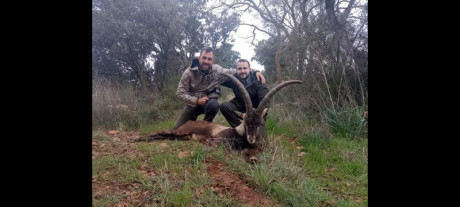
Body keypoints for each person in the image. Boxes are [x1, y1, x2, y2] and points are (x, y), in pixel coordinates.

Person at [173, 47, 266, 129]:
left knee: (214, 104)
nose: (206, 61)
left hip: (208, 103)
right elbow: (180, 94)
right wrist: (196, 101)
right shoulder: (188, 73)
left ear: (213, 61)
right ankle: (192, 119)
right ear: (199, 58)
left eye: (209, 59)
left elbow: (238, 70)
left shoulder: (217, 70)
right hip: (192, 103)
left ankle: (206, 126)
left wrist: (256, 72)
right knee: (177, 129)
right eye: (204, 58)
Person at [220, 59, 269, 138]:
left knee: (259, 140)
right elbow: (218, 75)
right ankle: (240, 131)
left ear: (250, 69)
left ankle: (250, 130)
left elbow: (265, 101)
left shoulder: (258, 80)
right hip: (242, 109)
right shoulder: (234, 79)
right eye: (239, 69)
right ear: (236, 70)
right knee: (224, 107)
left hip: (256, 115)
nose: (242, 71)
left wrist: (258, 115)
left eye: (245, 68)